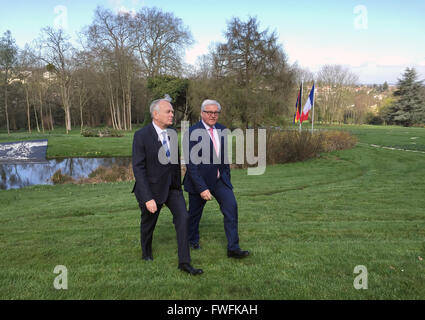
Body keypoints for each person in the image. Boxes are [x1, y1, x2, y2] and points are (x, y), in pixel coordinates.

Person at [132, 96, 203, 275]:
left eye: (172, 111)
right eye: (168, 111)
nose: (172, 114)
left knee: (183, 219)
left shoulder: (172, 134)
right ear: (156, 114)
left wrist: (178, 186)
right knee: (148, 224)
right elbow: (138, 169)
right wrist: (148, 198)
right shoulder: (141, 136)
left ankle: (184, 262)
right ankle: (146, 253)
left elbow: (174, 163)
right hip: (151, 189)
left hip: (172, 189)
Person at [183, 99, 249, 259]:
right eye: (209, 112)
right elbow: (191, 165)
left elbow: (224, 158)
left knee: (231, 208)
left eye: (215, 113)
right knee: (193, 215)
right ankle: (192, 240)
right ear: (201, 113)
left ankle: (233, 248)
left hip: (221, 182)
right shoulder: (191, 133)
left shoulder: (222, 130)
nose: (213, 115)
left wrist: (226, 176)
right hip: (200, 183)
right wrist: (202, 188)